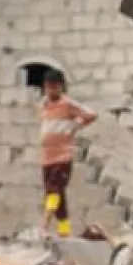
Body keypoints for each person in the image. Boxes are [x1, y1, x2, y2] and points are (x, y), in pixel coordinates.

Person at [36, 66, 96, 239]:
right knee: (58, 198)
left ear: (61, 86)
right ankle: (64, 233)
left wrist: (74, 126)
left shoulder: (67, 104)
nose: (51, 90)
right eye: (48, 87)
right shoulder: (44, 105)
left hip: (62, 156)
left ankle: (44, 226)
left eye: (55, 86)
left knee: (54, 190)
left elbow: (91, 114)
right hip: (47, 157)